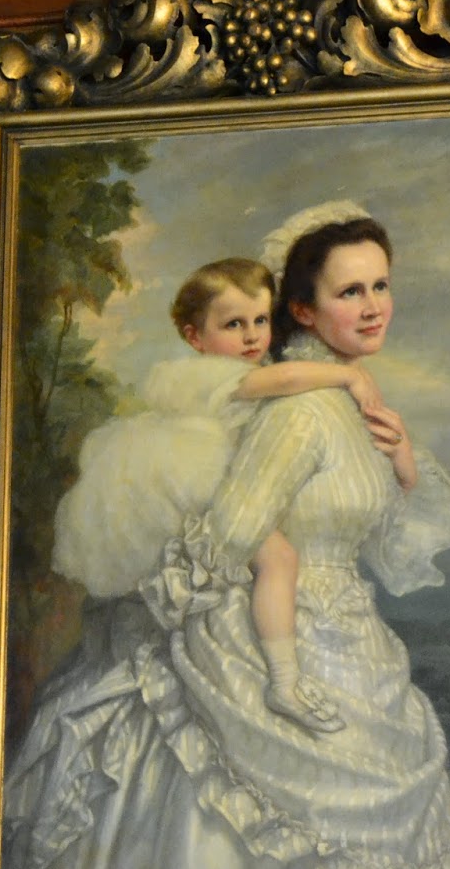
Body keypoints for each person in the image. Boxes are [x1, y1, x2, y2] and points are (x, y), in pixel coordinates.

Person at [1, 202, 450, 869]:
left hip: (347, 632)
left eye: (380, 286)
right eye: (349, 292)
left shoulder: (351, 406)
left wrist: (401, 463)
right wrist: (184, 605)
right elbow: (233, 531)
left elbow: (384, 547)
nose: (372, 307)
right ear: (304, 310)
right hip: (261, 629)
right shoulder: (302, 408)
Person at [50, 255, 385, 730]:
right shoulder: (205, 374)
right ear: (195, 337)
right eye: (233, 324)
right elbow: (283, 379)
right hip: (188, 481)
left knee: (269, 559)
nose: (251, 336)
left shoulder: (247, 370)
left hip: (215, 479)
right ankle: (284, 681)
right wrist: (348, 375)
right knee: (279, 559)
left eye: (261, 320)